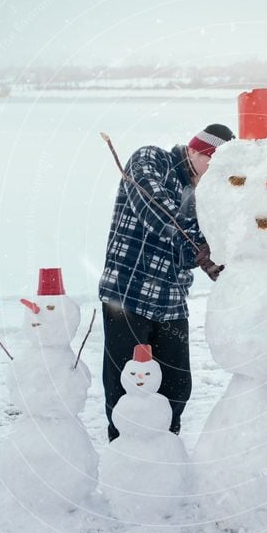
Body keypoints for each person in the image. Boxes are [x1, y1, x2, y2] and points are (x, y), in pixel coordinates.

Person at [99, 123, 235, 440]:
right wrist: (207, 238)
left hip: (171, 302)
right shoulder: (150, 159)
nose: (217, 174)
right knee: (127, 385)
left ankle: (164, 448)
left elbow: (202, 254)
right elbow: (164, 218)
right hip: (127, 295)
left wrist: (237, 276)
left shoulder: (203, 194)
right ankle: (125, 453)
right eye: (215, 164)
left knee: (177, 386)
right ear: (196, 151)